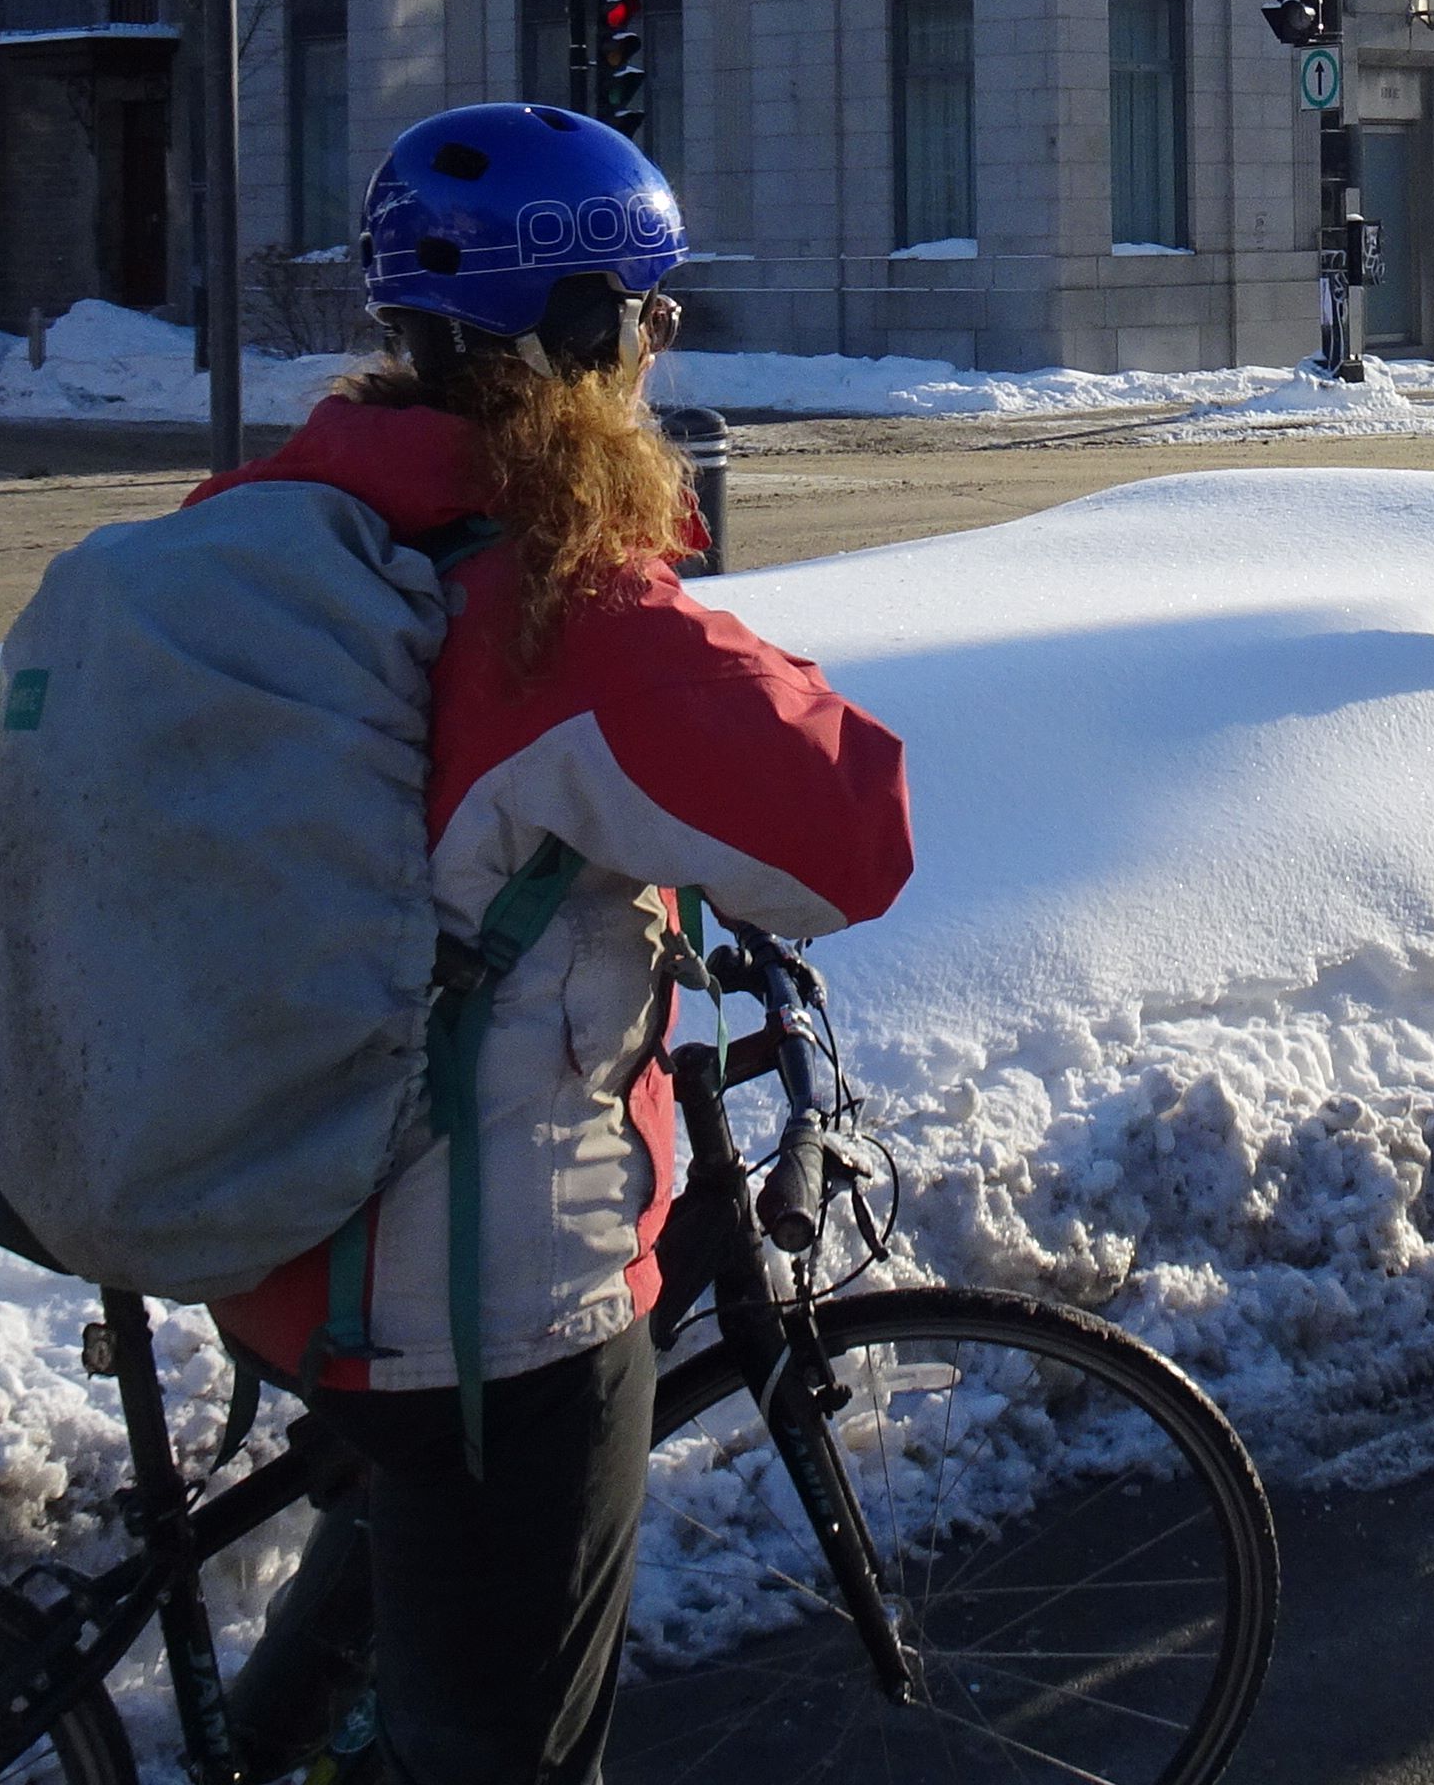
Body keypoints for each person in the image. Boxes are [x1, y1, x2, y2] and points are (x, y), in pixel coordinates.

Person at [204, 104, 914, 1785]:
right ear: (584, 332)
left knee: (394, 1599)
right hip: (483, 1300)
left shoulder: (280, 525)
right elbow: (851, 833)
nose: (663, 346)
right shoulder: (566, 611)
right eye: (651, 312)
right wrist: (667, 600)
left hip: (275, 1211)